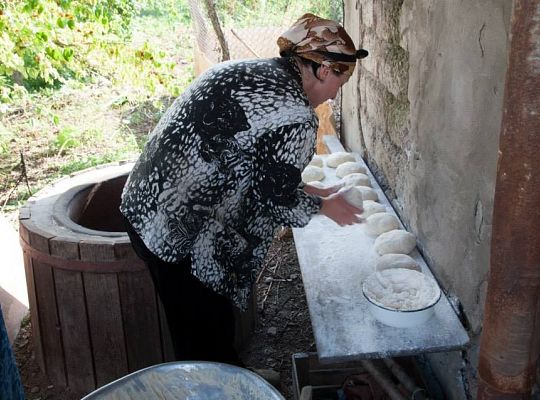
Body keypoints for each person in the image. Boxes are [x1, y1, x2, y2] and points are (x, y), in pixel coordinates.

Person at [120, 13, 368, 368]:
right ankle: (218, 386)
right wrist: (327, 208)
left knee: (199, 324)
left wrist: (314, 190)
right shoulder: (296, 115)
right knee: (204, 337)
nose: (333, 95)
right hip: (178, 234)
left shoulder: (245, 72)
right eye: (338, 84)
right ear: (324, 70)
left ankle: (223, 376)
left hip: (145, 205)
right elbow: (275, 199)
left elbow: (254, 163)